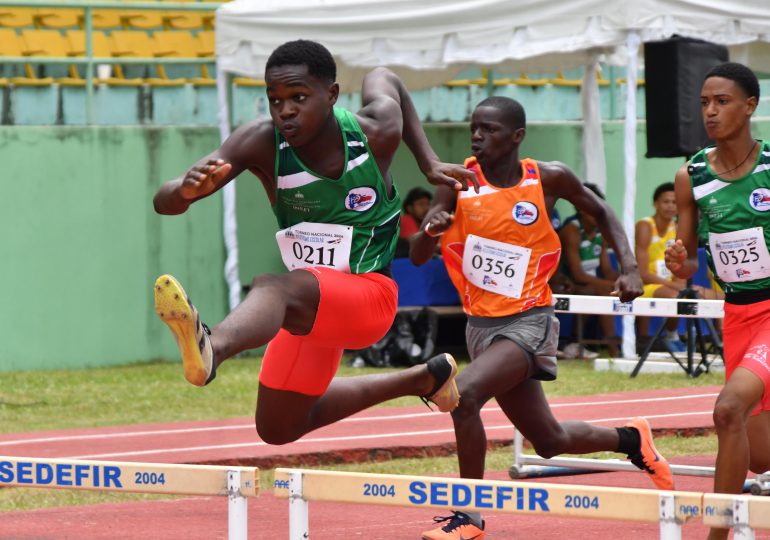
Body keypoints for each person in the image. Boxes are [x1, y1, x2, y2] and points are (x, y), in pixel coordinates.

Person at [152, 40, 480, 447]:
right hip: (312, 307)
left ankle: (212, 347)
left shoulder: (374, 133)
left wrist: (428, 161)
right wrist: (184, 191)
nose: (285, 110)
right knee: (277, 428)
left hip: (369, 297)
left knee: (272, 285)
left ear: (332, 95)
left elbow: (386, 77)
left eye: (298, 98)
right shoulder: (262, 142)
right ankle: (422, 378)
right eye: (275, 100)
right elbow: (164, 203)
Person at [411, 96, 673, 540]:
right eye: (475, 127)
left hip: (529, 319)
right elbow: (419, 256)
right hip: (481, 326)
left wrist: (629, 267)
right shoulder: (454, 182)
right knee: (549, 441)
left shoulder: (546, 177)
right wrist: (431, 228)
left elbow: (602, 211)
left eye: (489, 129)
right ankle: (631, 438)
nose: (477, 136)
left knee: (464, 395)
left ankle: (468, 519)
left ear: (517, 136)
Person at [665, 62, 770, 540]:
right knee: (760, 451)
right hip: (737, 315)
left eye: (722, 101)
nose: (710, 111)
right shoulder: (692, 174)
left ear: (750, 106)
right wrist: (677, 258)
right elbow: (686, 266)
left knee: (727, 410)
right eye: (705, 102)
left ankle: (716, 535)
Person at [559, 182, 620, 358]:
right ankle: (612, 350)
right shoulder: (572, 230)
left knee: (621, 289)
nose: (600, 213)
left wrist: (624, 277)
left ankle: (629, 343)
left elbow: (607, 269)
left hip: (590, 281)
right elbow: (577, 274)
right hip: (566, 281)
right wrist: (610, 284)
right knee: (605, 292)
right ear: (582, 209)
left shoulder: (600, 232)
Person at [635, 182, 688, 350]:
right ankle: (649, 340)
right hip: (643, 285)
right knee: (675, 296)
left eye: (674, 202)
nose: (670, 206)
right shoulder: (645, 226)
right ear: (655, 204)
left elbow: (681, 264)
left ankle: (720, 341)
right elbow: (642, 273)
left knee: (710, 295)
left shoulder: (678, 228)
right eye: (666, 202)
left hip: (666, 284)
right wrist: (677, 285)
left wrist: (680, 283)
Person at [395, 186, 433, 257]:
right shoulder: (406, 220)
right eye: (421, 204)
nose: (426, 208)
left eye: (428, 204)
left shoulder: (428, 222)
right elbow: (418, 244)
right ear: (410, 208)